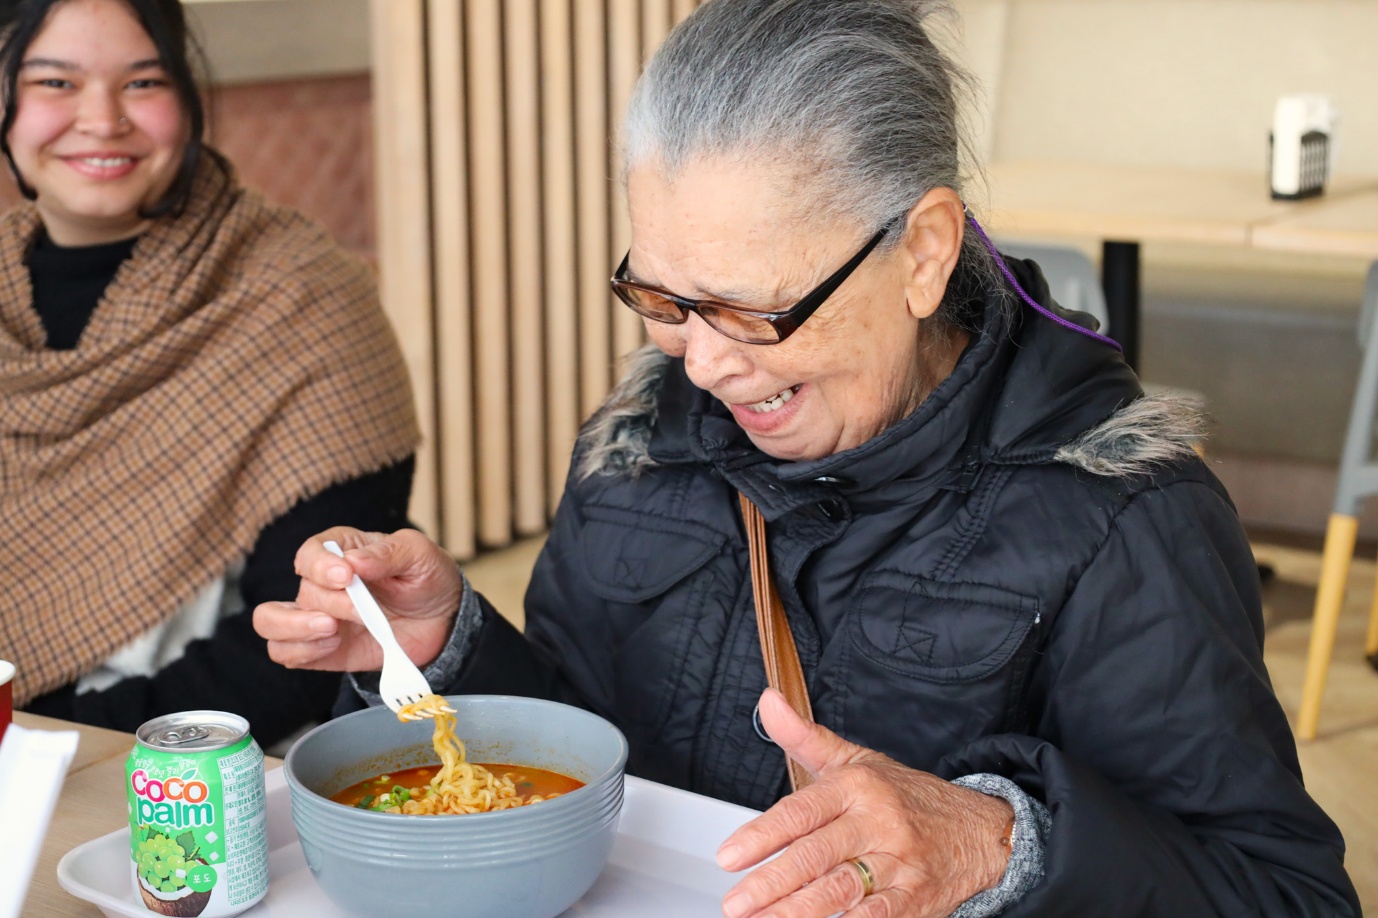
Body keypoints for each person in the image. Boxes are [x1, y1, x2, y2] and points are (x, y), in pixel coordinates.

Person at [254, 0, 1359, 914]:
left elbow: (1283, 892)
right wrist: (446, 657)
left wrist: (998, 845)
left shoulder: (1122, 518)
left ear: (921, 254)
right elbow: (587, 749)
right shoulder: (641, 454)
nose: (704, 368)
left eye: (757, 312)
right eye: (665, 300)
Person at [0, 0, 419, 749]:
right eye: (55, 83)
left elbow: (307, 639)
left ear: (188, 98)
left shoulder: (300, 295)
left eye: (142, 82)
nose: (101, 119)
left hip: (186, 774)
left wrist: (47, 739)